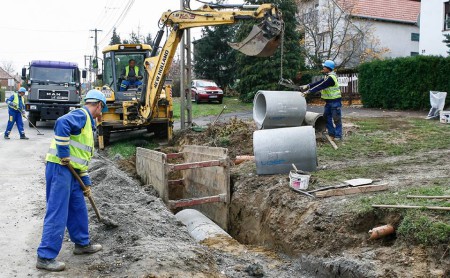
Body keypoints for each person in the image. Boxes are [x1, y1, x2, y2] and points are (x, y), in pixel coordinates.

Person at [36, 89, 108, 272]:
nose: (102, 113)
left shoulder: (87, 123)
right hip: (60, 168)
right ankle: (45, 256)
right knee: (58, 210)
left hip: (72, 171)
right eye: (102, 109)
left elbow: (80, 156)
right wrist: (64, 155)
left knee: (77, 207)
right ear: (99, 105)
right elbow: (61, 123)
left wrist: (86, 182)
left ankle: (82, 244)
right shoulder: (81, 115)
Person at [300, 60, 343, 141]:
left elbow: (321, 86)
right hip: (329, 102)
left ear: (328, 68)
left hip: (335, 102)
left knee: (336, 119)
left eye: (324, 67)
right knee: (326, 117)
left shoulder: (331, 78)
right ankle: (331, 134)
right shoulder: (327, 76)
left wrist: (308, 91)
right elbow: (318, 83)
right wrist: (308, 86)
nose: (323, 68)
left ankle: (338, 136)